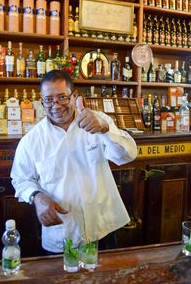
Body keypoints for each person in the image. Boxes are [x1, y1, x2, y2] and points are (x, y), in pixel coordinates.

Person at [11, 70, 137, 254]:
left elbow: (128, 154)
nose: (56, 105)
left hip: (103, 227)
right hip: (63, 232)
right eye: (49, 99)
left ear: (74, 96)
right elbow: (20, 179)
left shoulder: (98, 121)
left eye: (62, 97)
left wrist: (105, 130)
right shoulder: (32, 140)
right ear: (42, 101)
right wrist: (37, 197)